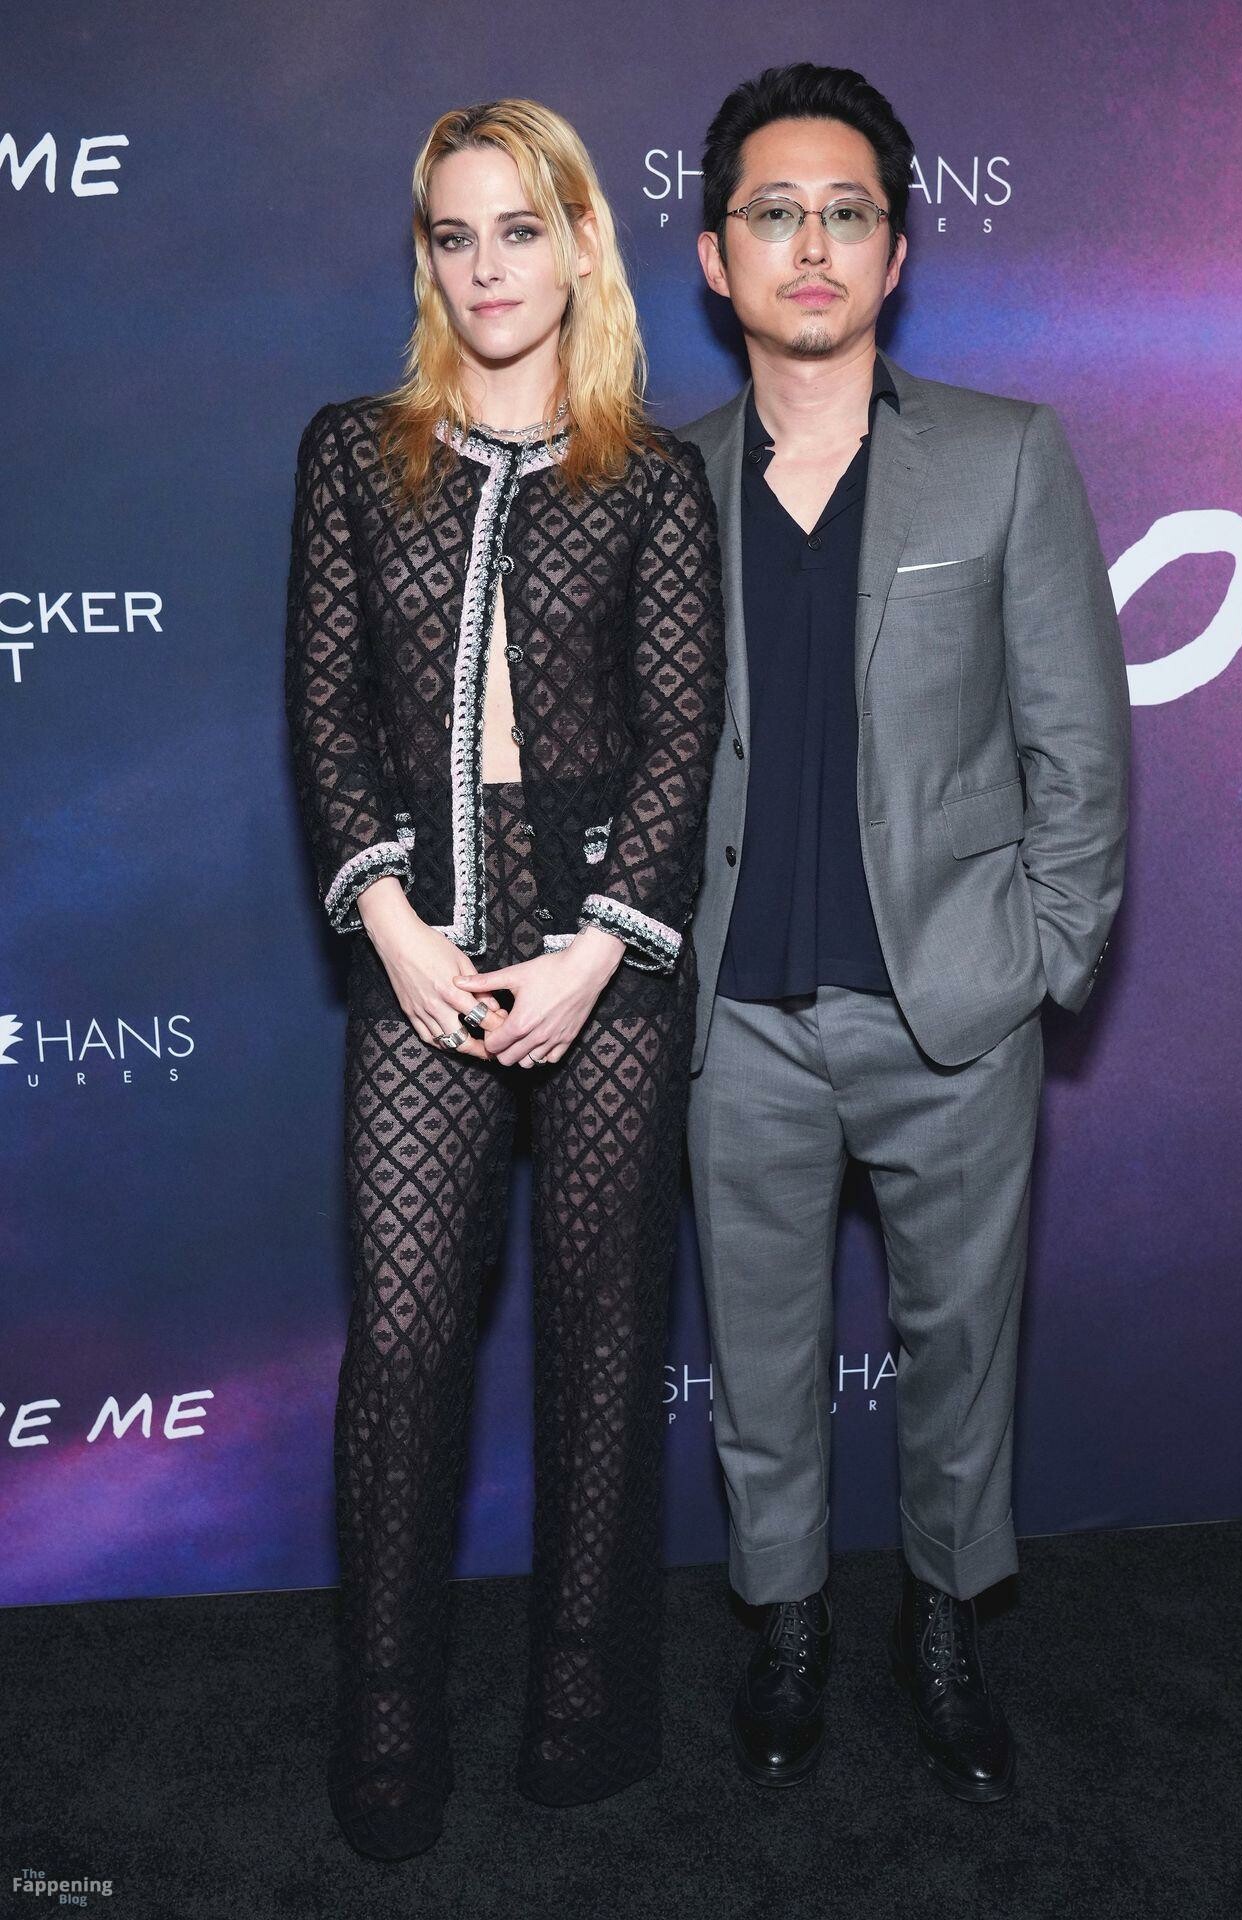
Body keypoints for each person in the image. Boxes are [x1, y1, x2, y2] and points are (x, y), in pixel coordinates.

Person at [677, 63, 1130, 1800]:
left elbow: (1078, 749)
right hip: (735, 1022)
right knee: (760, 1363)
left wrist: (1043, 962)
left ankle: (944, 1619)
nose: (811, 243)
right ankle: (785, 1619)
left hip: (953, 1010)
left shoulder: (1007, 456)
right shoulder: (662, 483)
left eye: (846, 212)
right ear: (716, 256)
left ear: (897, 249)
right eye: (774, 213)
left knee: (961, 1356)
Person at [283, 98, 725, 1861]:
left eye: (519, 230)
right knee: (401, 1344)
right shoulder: (353, 452)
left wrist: (603, 947)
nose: (487, 269)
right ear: (427, 257)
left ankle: (583, 1710)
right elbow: (325, 712)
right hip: (422, 940)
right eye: (455, 236)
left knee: (605, 1344)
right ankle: (386, 1718)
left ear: (581, 243)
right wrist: (394, 929)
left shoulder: (653, 477)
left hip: (604, 945)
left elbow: (684, 734)